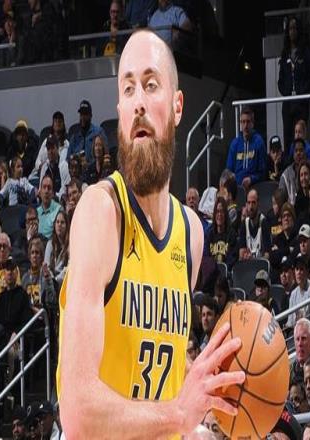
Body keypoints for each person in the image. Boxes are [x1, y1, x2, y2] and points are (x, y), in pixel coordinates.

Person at [59, 30, 245, 438]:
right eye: (128, 89)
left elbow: (163, 378)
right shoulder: (101, 212)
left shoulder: (191, 232)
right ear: (120, 110)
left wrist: (205, 389)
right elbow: (77, 411)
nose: (138, 101)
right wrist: (179, 414)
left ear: (177, 107)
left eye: (150, 84)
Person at [278, 16, 310, 150]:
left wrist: (301, 92)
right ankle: (289, 161)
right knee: (288, 138)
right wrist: (286, 92)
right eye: (290, 29)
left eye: (294, 28)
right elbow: (280, 80)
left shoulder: (304, 53)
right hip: (288, 104)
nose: (292, 32)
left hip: (301, 103)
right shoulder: (285, 54)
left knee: (300, 138)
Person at [226, 107, 267, 190]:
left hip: (255, 187)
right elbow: (229, 171)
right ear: (240, 123)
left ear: (252, 123)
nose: (245, 125)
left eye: (248, 122)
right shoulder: (235, 144)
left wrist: (251, 179)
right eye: (243, 122)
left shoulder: (258, 142)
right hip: (237, 188)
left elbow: (263, 172)